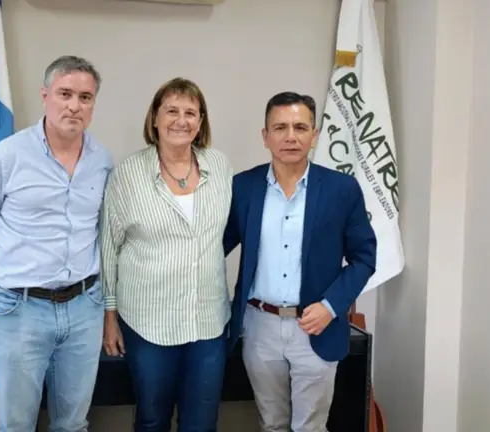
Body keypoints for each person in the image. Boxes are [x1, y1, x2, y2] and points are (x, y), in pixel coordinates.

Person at [0, 55, 112, 432]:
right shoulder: (6, 157)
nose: (74, 106)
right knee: (17, 425)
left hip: (84, 308)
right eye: (65, 94)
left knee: (73, 424)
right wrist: (9, 275)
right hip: (20, 310)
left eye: (85, 97)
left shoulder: (102, 160)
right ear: (45, 95)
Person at [223, 92, 377, 432]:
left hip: (316, 326)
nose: (290, 136)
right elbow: (213, 247)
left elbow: (364, 258)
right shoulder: (243, 187)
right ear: (265, 136)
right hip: (259, 326)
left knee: (310, 427)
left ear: (314, 134)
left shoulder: (341, 189)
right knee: (272, 424)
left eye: (300, 127)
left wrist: (330, 306)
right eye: (280, 128)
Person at [100, 77, 234, 432]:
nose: (181, 120)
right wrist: (109, 316)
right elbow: (108, 246)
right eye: (171, 110)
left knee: (202, 422)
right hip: (148, 323)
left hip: (207, 321)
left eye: (191, 112)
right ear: (155, 119)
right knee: (152, 419)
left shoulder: (220, 166)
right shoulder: (128, 174)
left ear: (201, 122)